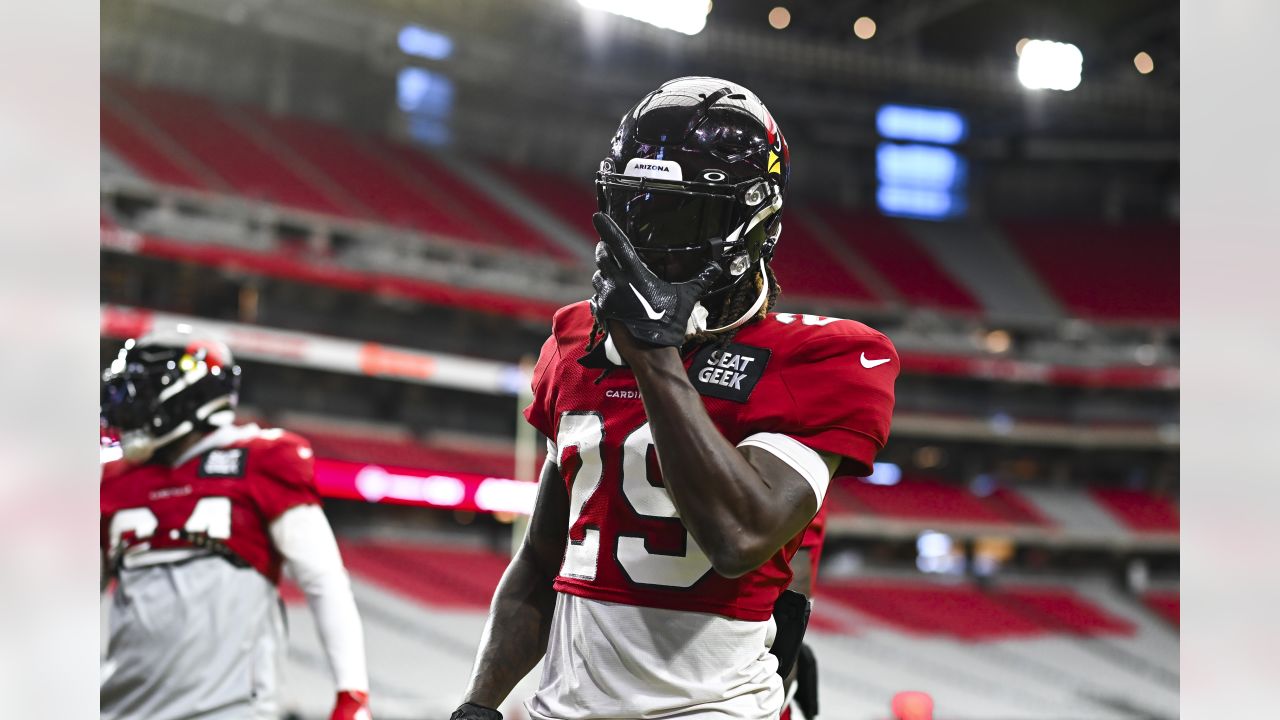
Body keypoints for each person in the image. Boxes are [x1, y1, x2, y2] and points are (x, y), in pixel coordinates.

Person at [451, 76, 898, 720]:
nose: (647, 240)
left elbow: (740, 538)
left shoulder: (820, 356)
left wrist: (656, 357)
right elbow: (541, 560)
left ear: (752, 222)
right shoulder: (574, 341)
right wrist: (479, 704)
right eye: (635, 209)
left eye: (680, 214)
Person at [100, 329, 372, 720]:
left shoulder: (261, 459)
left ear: (191, 394)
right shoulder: (113, 480)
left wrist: (352, 693)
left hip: (227, 709)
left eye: (141, 392)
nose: (128, 408)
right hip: (120, 707)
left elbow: (323, 579)